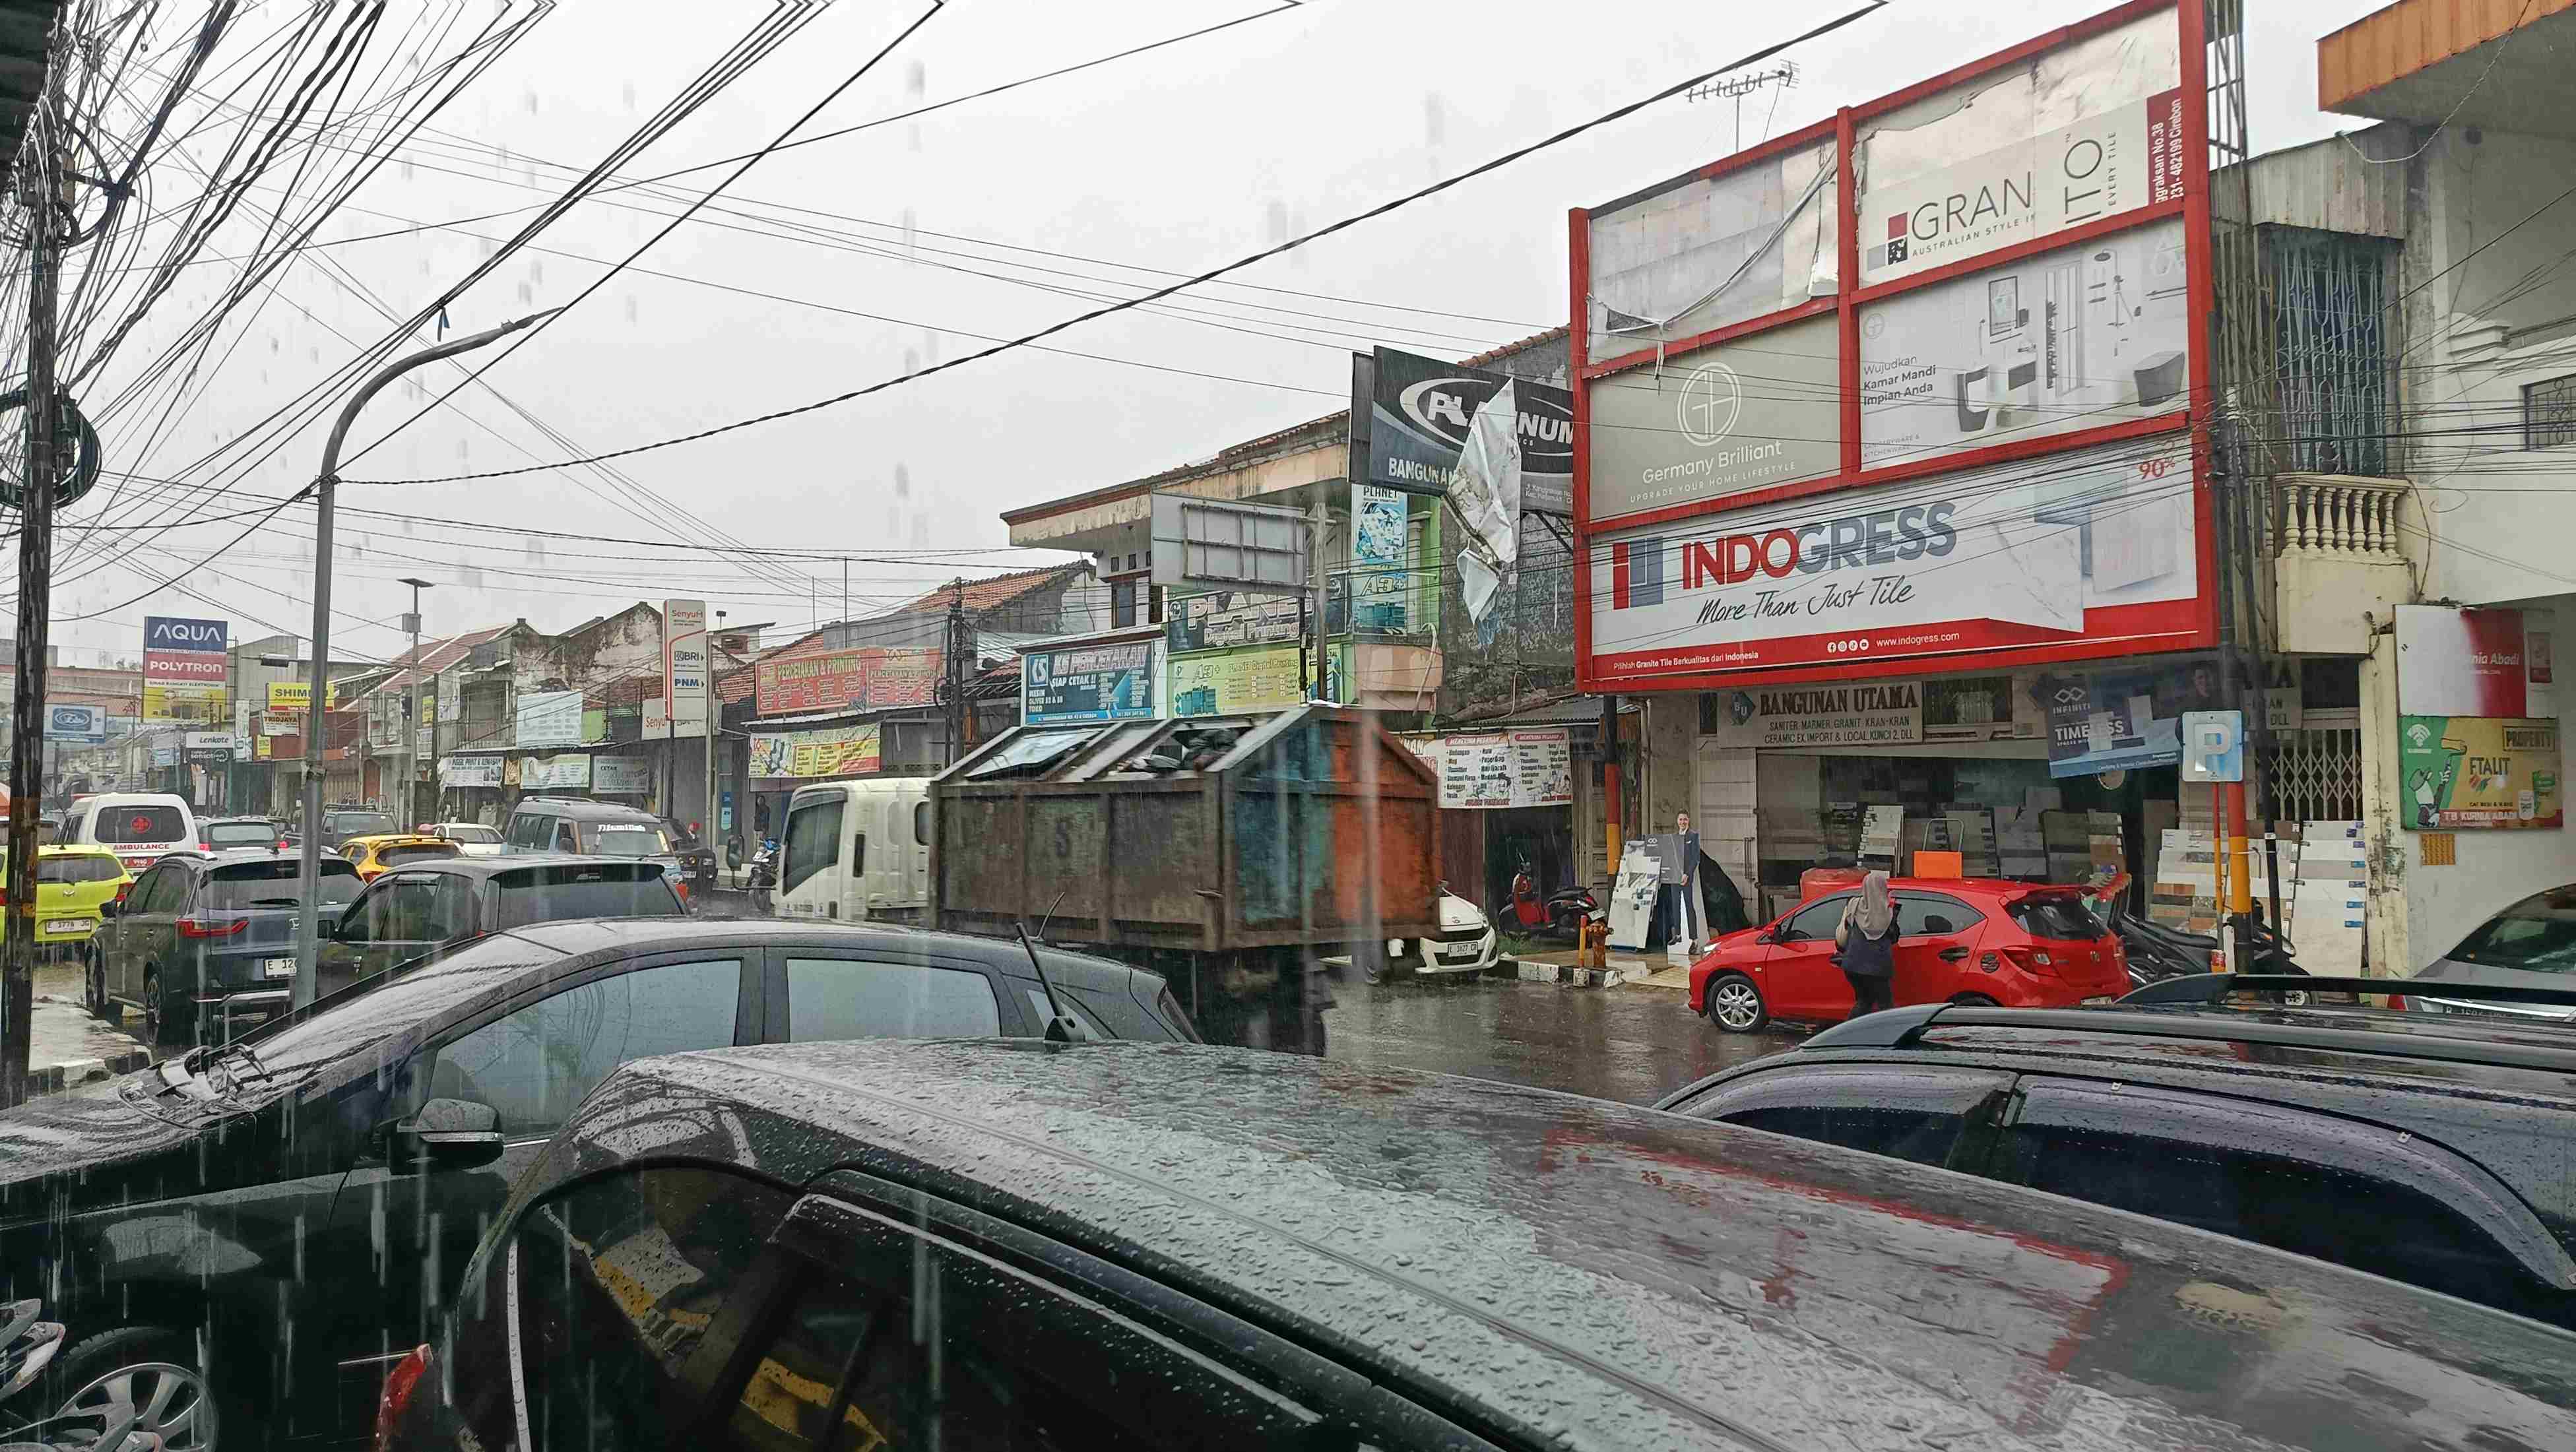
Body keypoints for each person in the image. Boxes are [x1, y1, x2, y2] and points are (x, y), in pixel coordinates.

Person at [1834, 869, 1899, 1017]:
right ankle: (1888, 1036)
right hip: (1877, 968)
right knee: (1885, 1006)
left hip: (1853, 965)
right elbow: (1894, 937)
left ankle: (1851, 1033)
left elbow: (1848, 927)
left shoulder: (1854, 905)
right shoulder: (1888, 911)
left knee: (1864, 1001)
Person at [1660, 811, 1704, 953]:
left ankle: (1694, 939)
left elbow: (1695, 859)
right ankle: (1678, 935)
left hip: (1686, 878)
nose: (1683, 822)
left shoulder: (1693, 836)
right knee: (1675, 906)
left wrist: (1687, 874)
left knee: (1689, 907)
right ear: (1677, 821)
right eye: (1680, 819)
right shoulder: (1674, 837)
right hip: (1674, 877)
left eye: (1685, 819)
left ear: (1688, 820)